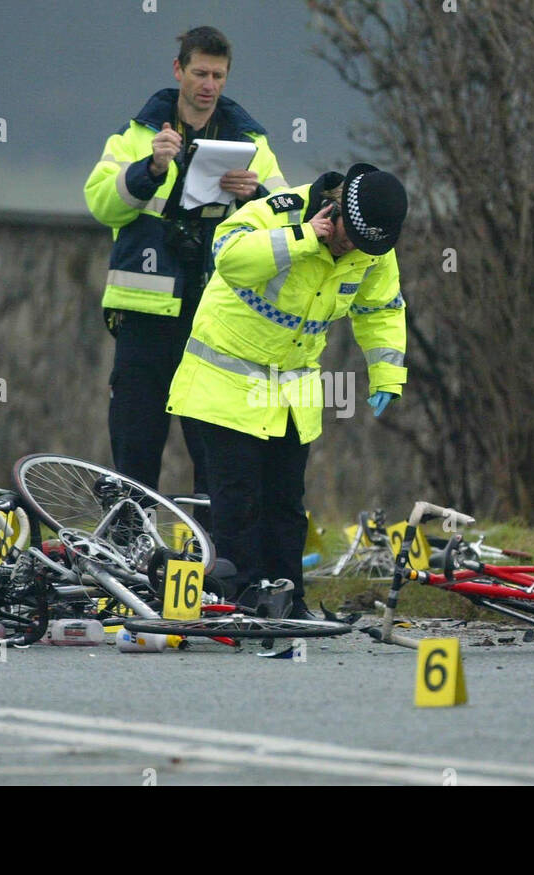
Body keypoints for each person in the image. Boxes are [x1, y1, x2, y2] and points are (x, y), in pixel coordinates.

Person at [166, 163, 409, 617]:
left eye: (362, 243)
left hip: (290, 390)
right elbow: (230, 258)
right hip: (224, 382)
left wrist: (387, 376)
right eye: (345, 235)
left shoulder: (372, 246)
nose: (351, 247)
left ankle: (286, 600)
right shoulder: (276, 214)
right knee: (236, 503)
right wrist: (302, 239)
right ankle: (239, 602)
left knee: (285, 504)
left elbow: (381, 310)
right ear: (332, 210)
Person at [84, 26, 288, 498]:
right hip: (144, 316)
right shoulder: (138, 134)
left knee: (214, 449)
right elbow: (100, 202)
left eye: (218, 75)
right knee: (135, 445)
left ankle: (214, 562)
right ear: (179, 70)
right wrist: (149, 169)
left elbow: (283, 218)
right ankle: (129, 555)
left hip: (215, 318)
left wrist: (254, 193)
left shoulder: (250, 140)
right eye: (199, 72)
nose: (209, 84)